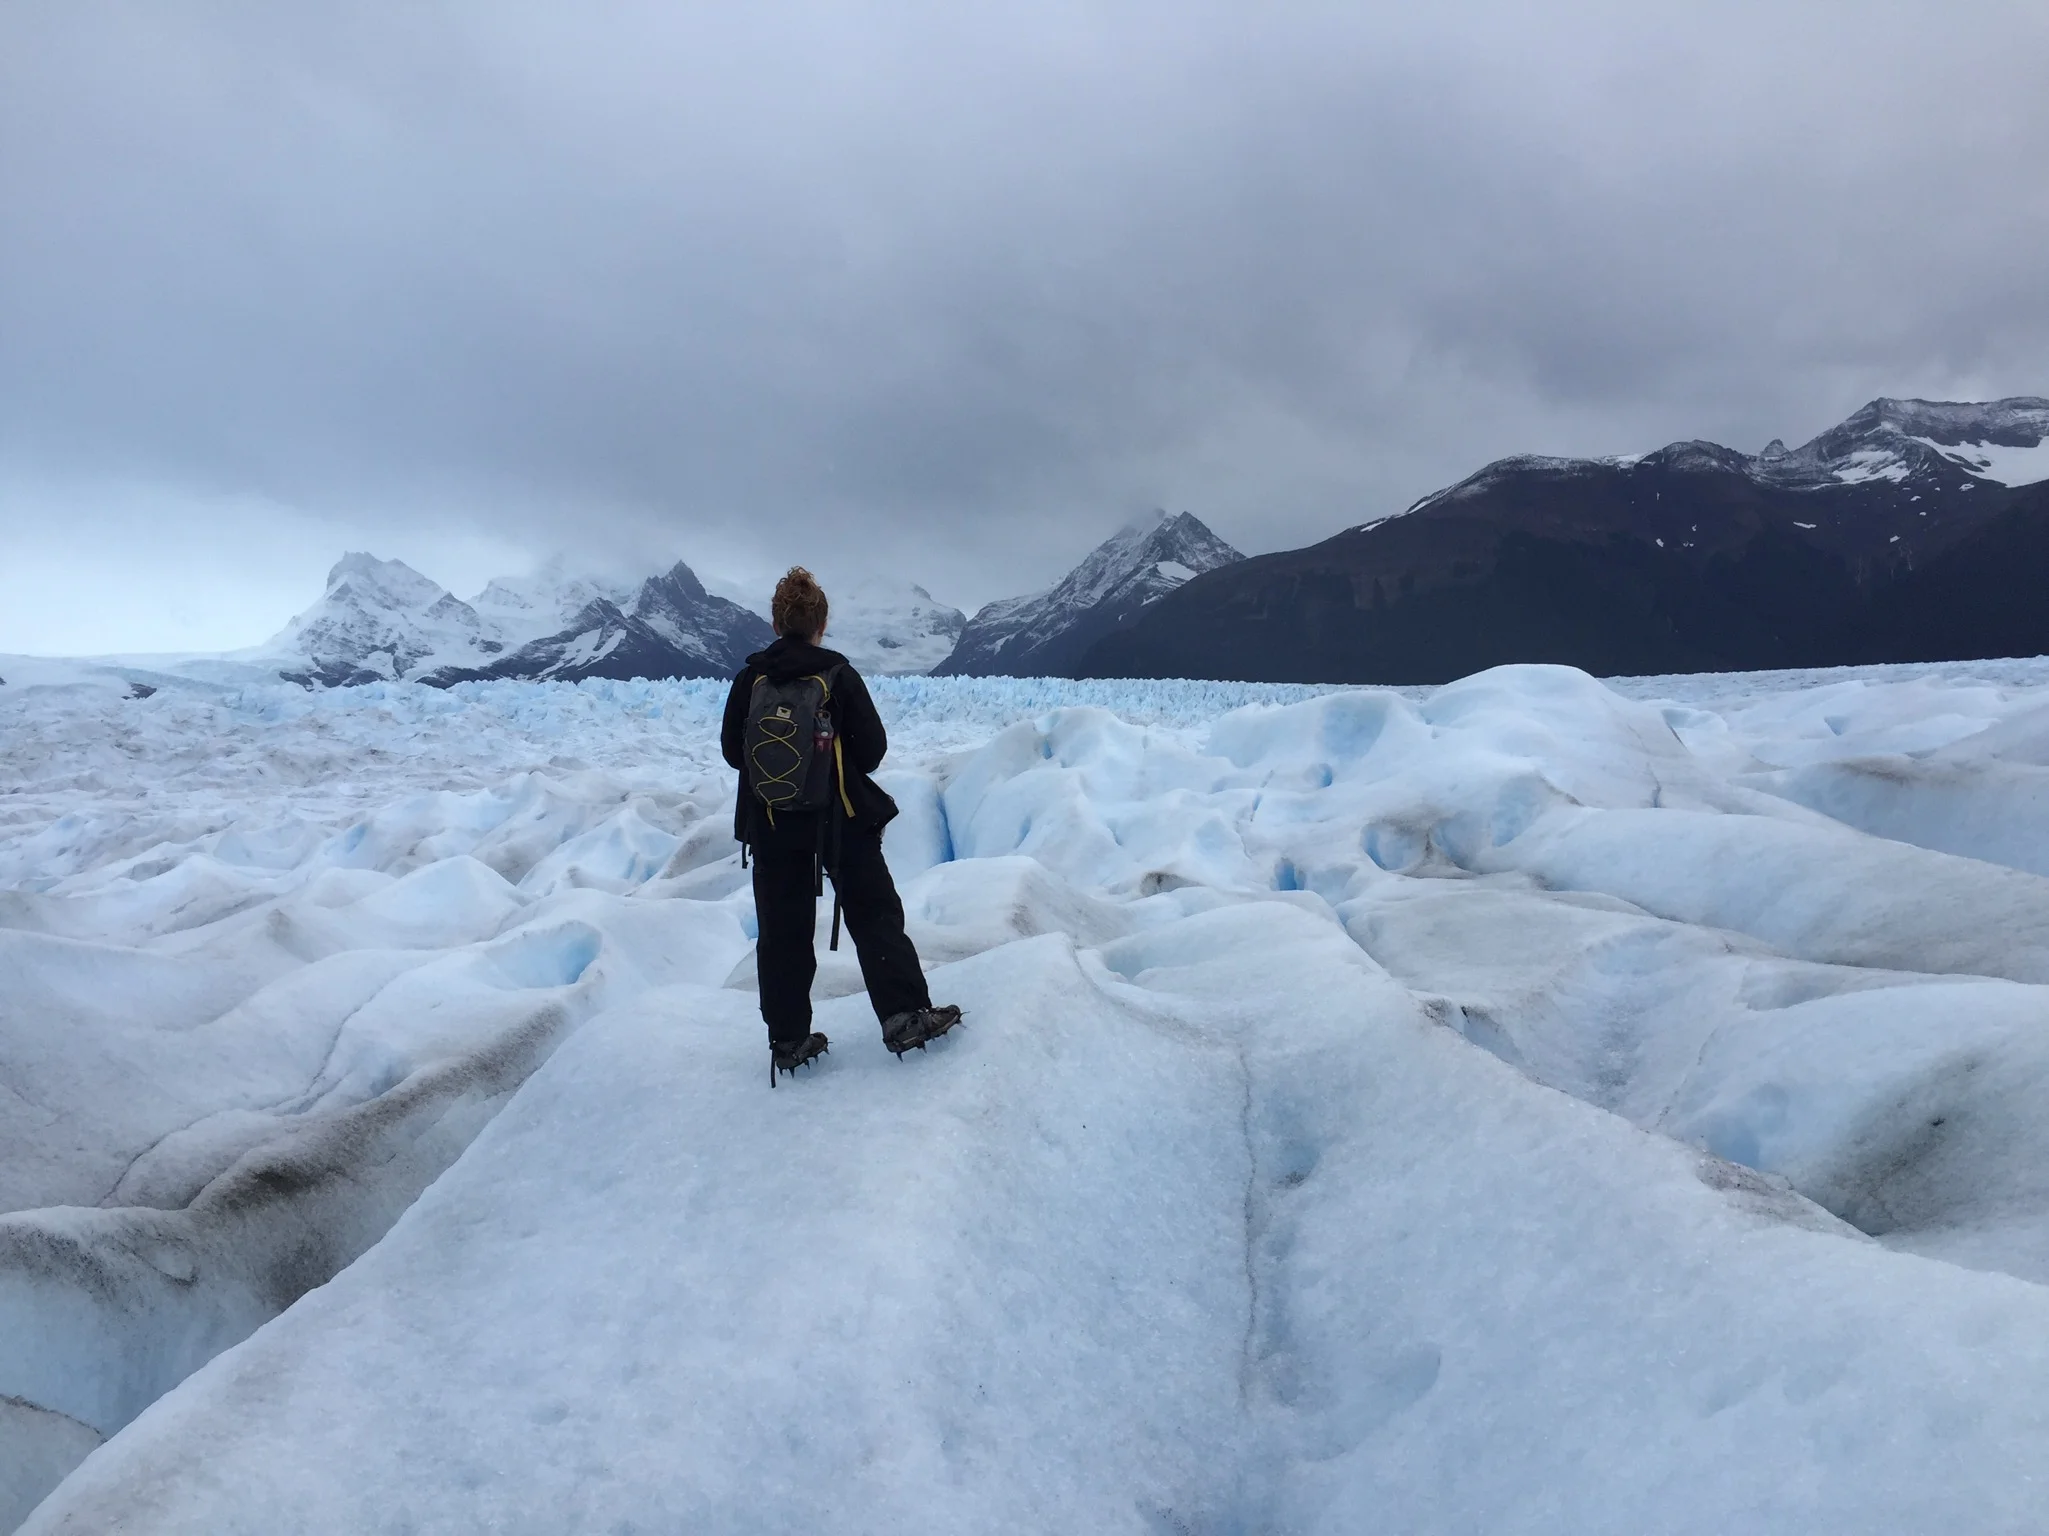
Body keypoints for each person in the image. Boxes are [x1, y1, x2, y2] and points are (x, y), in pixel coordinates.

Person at [721, 567, 961, 1083]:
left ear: (776, 620)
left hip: (770, 824)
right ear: (820, 622)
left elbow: (731, 753)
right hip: (840, 820)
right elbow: (872, 751)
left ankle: (788, 1039)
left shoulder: (751, 679)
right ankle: (904, 1017)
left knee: (782, 932)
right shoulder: (838, 674)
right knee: (874, 913)